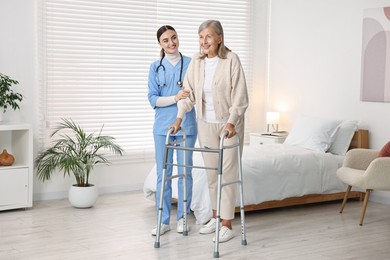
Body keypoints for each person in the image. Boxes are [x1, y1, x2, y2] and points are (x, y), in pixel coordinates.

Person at [169, 20, 249, 243]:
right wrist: (179, 118)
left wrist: (232, 122)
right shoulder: (196, 61)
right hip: (205, 124)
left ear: (220, 38)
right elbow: (188, 93)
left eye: (209, 37)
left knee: (228, 174)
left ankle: (227, 224)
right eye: (201, 37)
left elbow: (241, 97)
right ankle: (215, 217)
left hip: (228, 127)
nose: (204, 42)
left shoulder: (231, 60)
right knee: (212, 175)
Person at [148, 25, 197, 236]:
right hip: (162, 127)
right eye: (166, 40)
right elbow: (153, 98)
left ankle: (183, 218)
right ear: (160, 44)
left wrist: (182, 98)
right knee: (163, 174)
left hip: (186, 125)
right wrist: (174, 97)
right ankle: (163, 220)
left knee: (185, 172)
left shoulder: (192, 64)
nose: (171, 43)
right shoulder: (155, 66)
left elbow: (194, 93)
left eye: (174, 38)